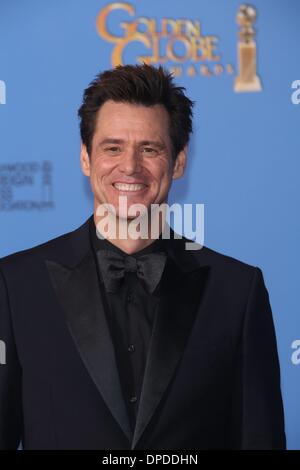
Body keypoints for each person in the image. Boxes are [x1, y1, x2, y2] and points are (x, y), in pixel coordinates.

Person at [0, 64, 286, 450]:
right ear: (86, 157)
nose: (130, 167)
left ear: (179, 161)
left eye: (149, 149)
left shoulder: (237, 291)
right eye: (112, 147)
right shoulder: (17, 285)